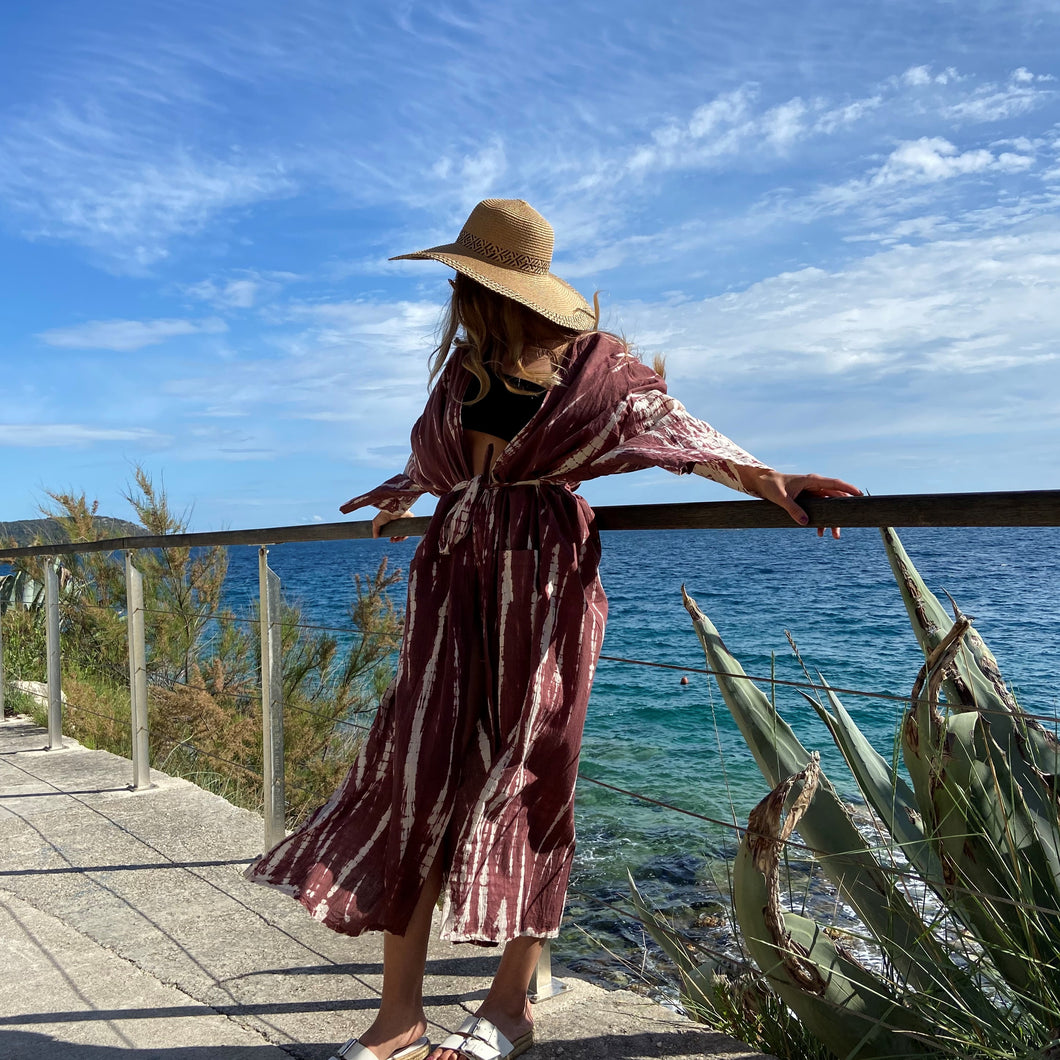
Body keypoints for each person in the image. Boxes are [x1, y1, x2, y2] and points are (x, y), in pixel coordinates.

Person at [245, 199, 860, 1060]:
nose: (456, 292)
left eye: (466, 279)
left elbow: (680, 437)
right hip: (451, 575)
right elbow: (440, 455)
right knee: (418, 769)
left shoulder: (598, 373)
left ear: (493, 289)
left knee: (534, 775)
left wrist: (769, 475)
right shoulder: (461, 374)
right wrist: (407, 492)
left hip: (545, 580)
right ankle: (399, 1018)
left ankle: (509, 1007)